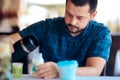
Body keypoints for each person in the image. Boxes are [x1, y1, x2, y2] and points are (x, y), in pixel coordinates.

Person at [8, 0, 112, 79]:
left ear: (93, 15)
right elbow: (10, 40)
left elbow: (95, 70)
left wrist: (60, 70)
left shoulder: (101, 33)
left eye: (79, 18)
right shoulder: (49, 26)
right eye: (68, 14)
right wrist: (6, 44)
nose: (72, 22)